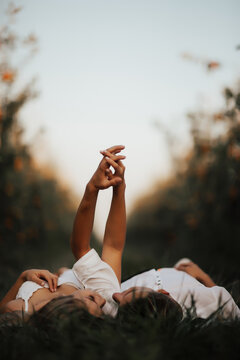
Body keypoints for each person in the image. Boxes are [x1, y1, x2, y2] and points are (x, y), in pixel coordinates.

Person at [0, 145, 127, 318]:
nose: (102, 302)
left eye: (94, 304)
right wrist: (117, 189)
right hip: (73, 277)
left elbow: (3, 313)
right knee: (67, 271)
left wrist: (23, 278)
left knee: (64, 272)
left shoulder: (22, 311)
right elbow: (112, 247)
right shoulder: (107, 301)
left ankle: (63, 271)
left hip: (59, 284)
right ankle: (63, 271)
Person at [115, 258, 240, 319]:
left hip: (162, 274)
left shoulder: (120, 298)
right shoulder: (205, 301)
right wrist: (203, 277)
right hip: (181, 275)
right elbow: (230, 308)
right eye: (130, 291)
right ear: (163, 292)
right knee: (185, 263)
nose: (116, 296)